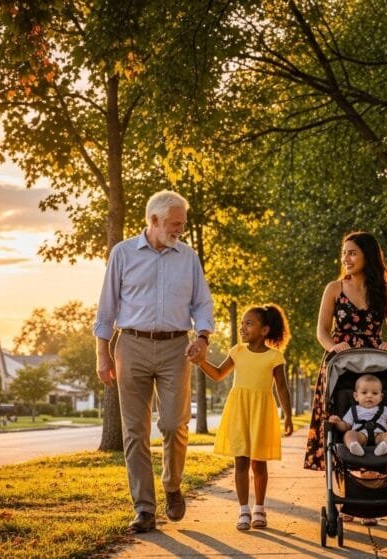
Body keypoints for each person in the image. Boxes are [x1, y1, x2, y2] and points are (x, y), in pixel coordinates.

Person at [93, 190, 214, 533]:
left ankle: (172, 485)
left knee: (175, 425)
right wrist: (102, 353)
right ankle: (144, 508)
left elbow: (202, 304)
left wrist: (202, 338)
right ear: (154, 220)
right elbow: (106, 308)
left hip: (177, 347)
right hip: (131, 344)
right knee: (135, 432)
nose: (180, 229)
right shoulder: (123, 254)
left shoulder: (188, 257)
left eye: (183, 223)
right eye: (176, 223)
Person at [303, 231, 387, 526]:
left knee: (376, 424)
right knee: (343, 426)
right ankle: (347, 497)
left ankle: (372, 497)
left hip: (375, 362)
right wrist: (331, 347)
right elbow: (321, 330)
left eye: (352, 253)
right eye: (343, 253)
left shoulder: (386, 291)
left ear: (367, 256)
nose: (345, 258)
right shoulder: (334, 288)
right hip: (342, 361)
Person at [191, 304, 294, 531]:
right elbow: (218, 374)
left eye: (249, 324)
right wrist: (200, 362)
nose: (242, 328)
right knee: (241, 460)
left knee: (259, 463)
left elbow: (282, 388)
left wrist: (287, 415)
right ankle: (243, 511)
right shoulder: (237, 351)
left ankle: (259, 508)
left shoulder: (275, 357)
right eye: (242, 323)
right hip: (240, 411)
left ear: (265, 330)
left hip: (262, 412)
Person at [327, 374, 387, 457]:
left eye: (375, 393)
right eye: (364, 393)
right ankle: (354, 446)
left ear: (381, 397)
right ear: (356, 396)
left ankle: (384, 446)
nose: (369, 396)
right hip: (360, 436)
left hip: (380, 436)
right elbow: (346, 426)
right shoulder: (353, 410)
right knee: (348, 434)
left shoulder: (384, 409)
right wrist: (338, 422)